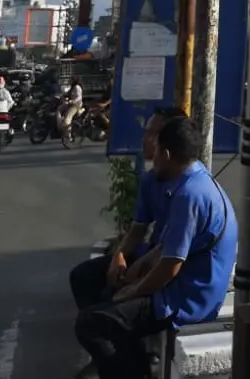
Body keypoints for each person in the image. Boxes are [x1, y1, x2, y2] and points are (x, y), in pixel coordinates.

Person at [76, 114, 237, 379]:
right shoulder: (195, 181)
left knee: (92, 323)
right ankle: (135, 375)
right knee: (104, 296)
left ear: (166, 153)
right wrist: (133, 265)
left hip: (187, 298)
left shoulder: (190, 195)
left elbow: (170, 267)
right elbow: (166, 247)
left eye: (155, 143)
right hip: (182, 283)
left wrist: (134, 290)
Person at [68, 107, 185, 312]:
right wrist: (119, 256)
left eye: (151, 134)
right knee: (83, 277)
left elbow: (172, 253)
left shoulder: (188, 191)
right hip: (152, 254)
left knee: (113, 298)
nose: (144, 139)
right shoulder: (151, 180)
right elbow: (138, 228)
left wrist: (135, 279)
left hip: (168, 264)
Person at [60, 72, 84, 139]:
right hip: (71, 105)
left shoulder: (77, 87)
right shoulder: (72, 87)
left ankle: (69, 135)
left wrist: (72, 101)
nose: (70, 81)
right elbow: (67, 94)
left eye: (71, 79)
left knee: (67, 119)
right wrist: (61, 96)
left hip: (75, 106)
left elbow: (79, 97)